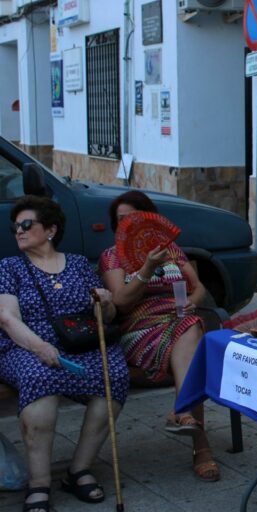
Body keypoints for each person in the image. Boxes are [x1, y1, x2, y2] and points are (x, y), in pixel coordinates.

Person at [0, 196, 129, 511]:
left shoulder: (79, 264)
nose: (19, 230)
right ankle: (39, 484)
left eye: (27, 224)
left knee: (115, 374)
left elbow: (106, 318)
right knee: (40, 379)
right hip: (24, 345)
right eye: (16, 226)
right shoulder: (10, 267)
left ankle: (78, 470)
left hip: (77, 344)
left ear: (51, 230)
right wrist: (40, 347)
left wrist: (106, 301)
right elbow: (6, 318)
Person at [99, 191, 219, 482]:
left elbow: (198, 287)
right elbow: (121, 301)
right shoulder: (112, 256)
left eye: (132, 218)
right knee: (192, 337)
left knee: (190, 327)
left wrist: (194, 299)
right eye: (120, 220)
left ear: (148, 220)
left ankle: (184, 414)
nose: (126, 224)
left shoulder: (172, 250)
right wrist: (147, 268)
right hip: (140, 328)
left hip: (178, 319)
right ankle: (200, 446)